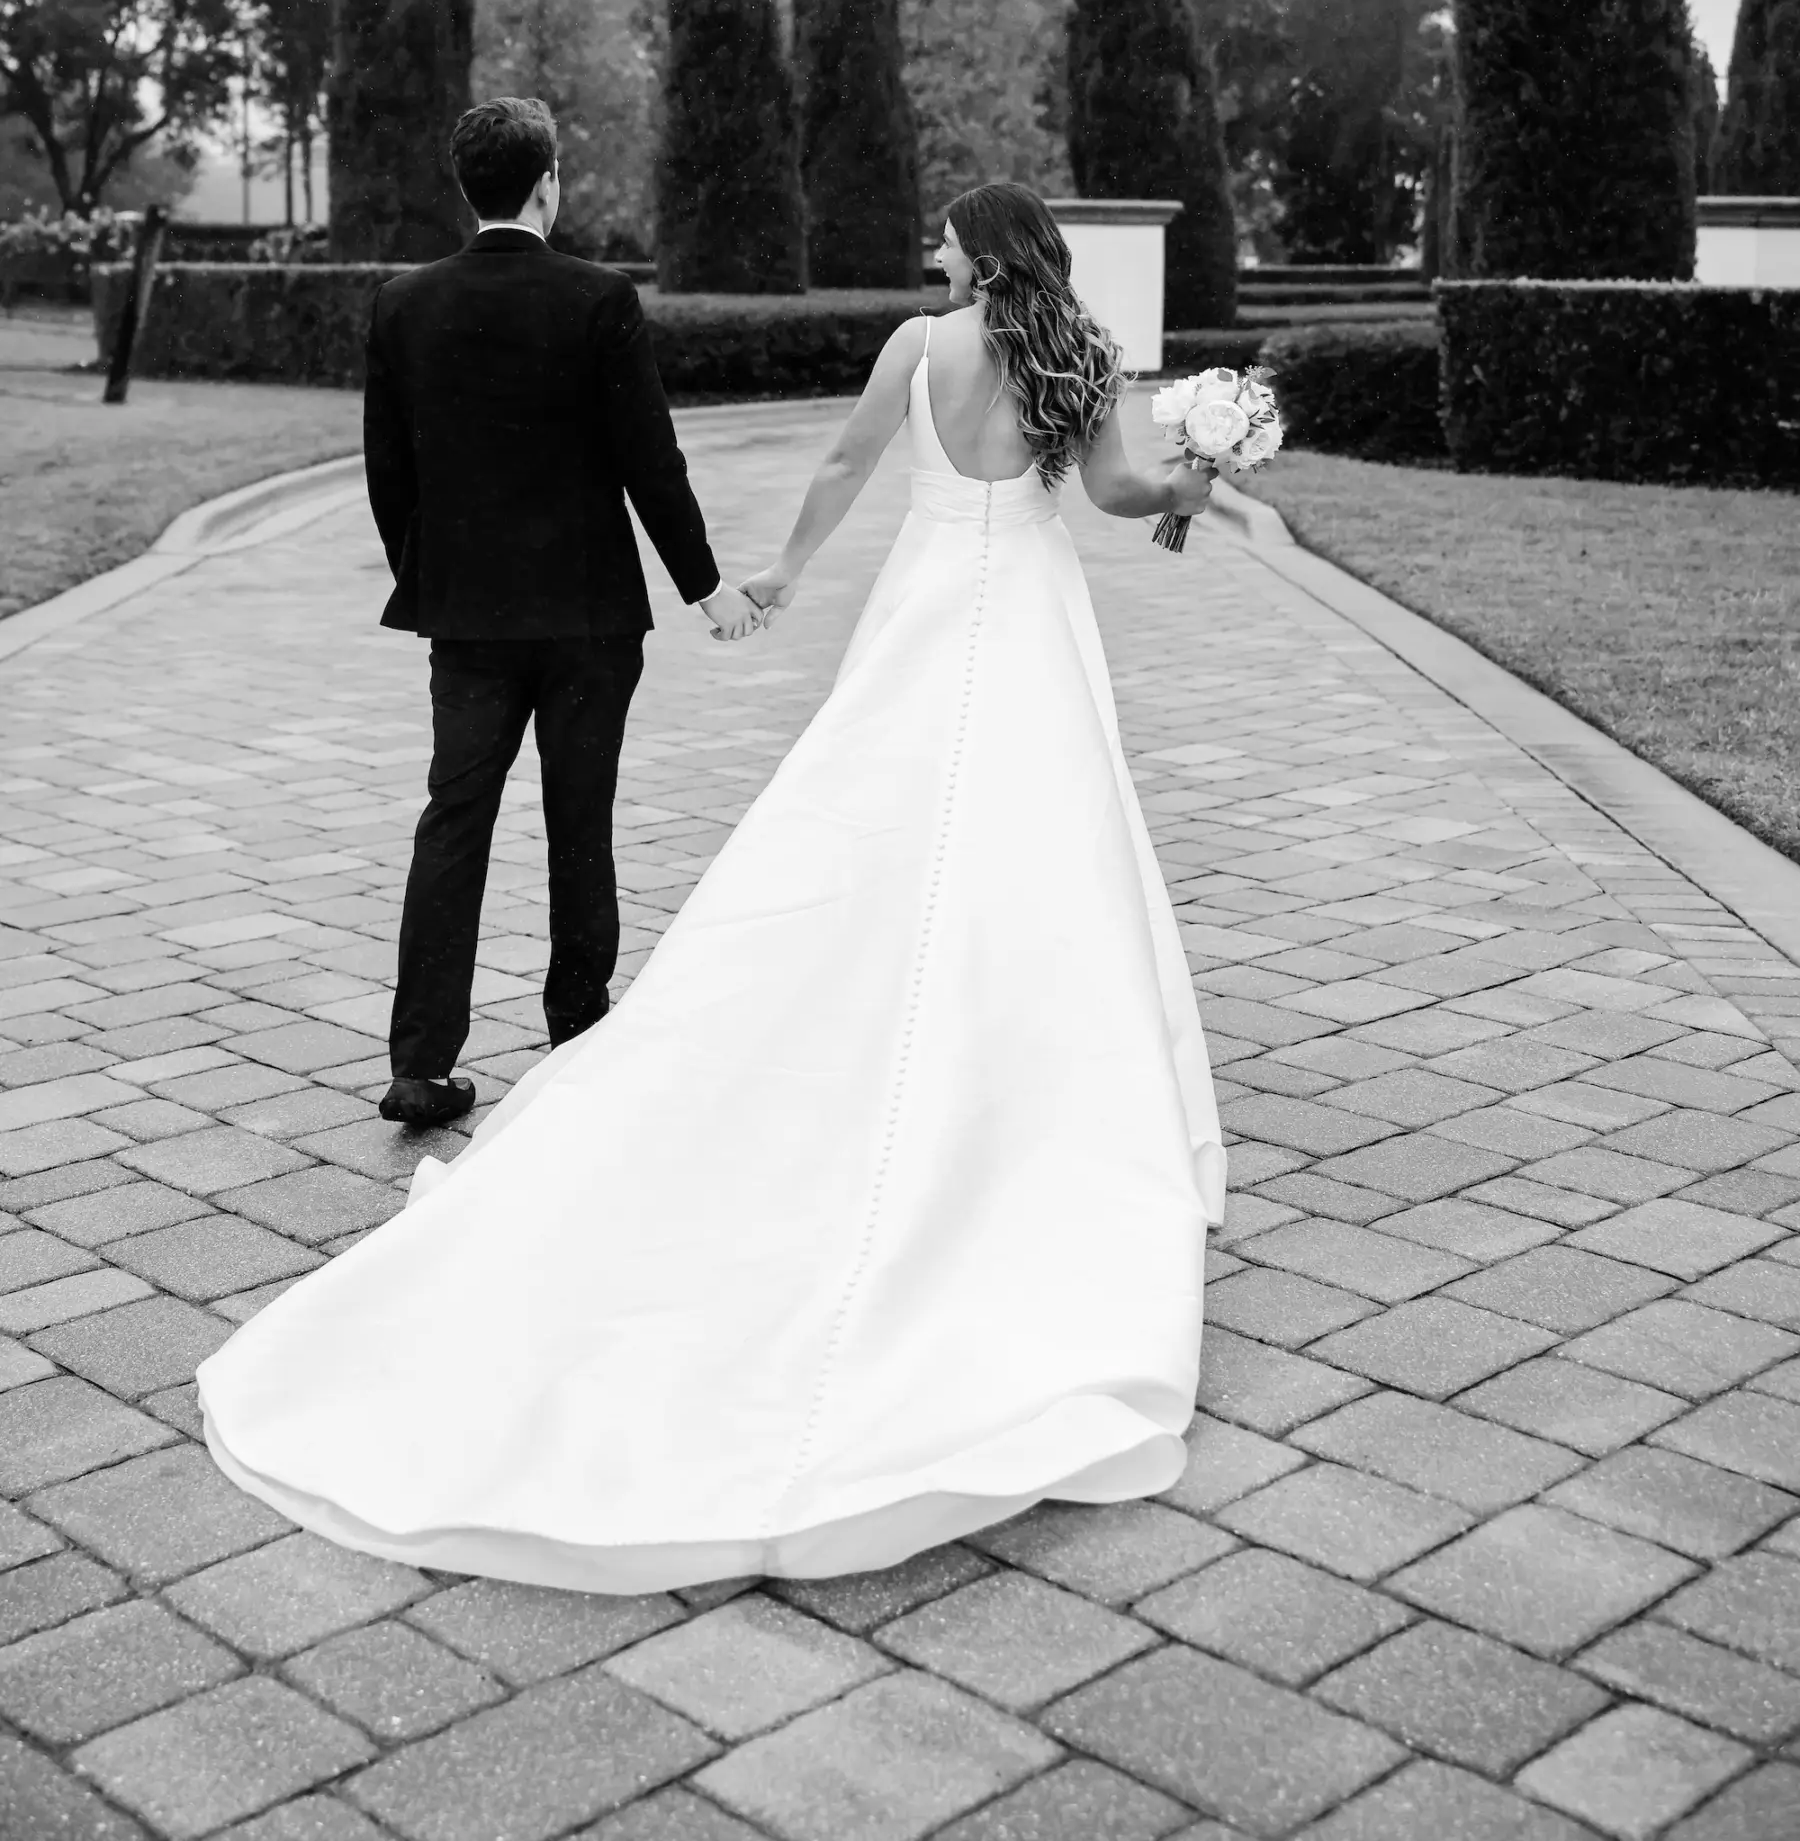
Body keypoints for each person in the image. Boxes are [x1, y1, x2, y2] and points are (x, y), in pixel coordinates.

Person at [197, 182, 1227, 1592]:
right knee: (1045, 842)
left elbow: (843, 472)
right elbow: (1118, 493)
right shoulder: (1086, 354)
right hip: (1036, 618)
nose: (927, 246)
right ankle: (1037, 1085)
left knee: (866, 823)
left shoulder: (920, 349)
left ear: (976, 252)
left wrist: (785, 579)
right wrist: (1199, 480)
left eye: (942, 234)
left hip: (927, 615)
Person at [361, 96, 762, 1130]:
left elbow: (387, 472)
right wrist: (705, 584)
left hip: (468, 620)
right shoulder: (599, 297)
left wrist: (430, 566)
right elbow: (649, 459)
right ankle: (577, 1024)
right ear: (548, 182)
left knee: (454, 818)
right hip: (590, 615)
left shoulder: (404, 303)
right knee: (580, 816)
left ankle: (420, 1062)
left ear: (468, 188)